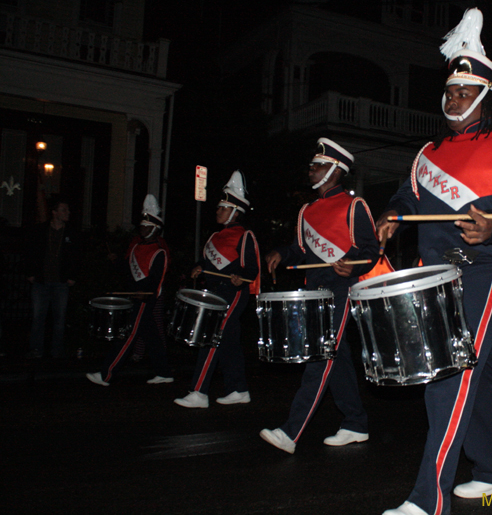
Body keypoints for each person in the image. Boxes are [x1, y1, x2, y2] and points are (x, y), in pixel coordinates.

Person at [376, 8, 492, 515]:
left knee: (447, 372)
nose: (454, 99)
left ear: (486, 96)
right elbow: (407, 195)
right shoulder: (428, 151)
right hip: (435, 272)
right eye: (451, 92)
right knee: (475, 372)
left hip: (487, 266)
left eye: (465, 92)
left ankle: (427, 497)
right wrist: (393, 213)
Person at [260, 138, 379, 454]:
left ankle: (291, 432)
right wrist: (280, 254)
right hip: (314, 291)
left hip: (341, 290)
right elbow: (301, 250)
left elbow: (371, 250)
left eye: (319, 165)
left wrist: (352, 265)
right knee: (335, 358)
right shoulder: (306, 211)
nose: (312, 170)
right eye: (312, 165)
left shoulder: (355, 207)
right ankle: (355, 422)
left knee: (320, 357)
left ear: (335, 171)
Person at [174, 171, 260, 408]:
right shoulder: (214, 236)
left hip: (232, 295)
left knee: (211, 338)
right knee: (228, 342)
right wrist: (197, 268)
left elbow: (251, 269)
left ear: (234, 210)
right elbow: (205, 262)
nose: (217, 211)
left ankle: (199, 392)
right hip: (214, 293)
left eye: (222, 207)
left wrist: (240, 279)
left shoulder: (245, 236)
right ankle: (239, 389)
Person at [86, 195, 173, 386]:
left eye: (146, 225)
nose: (142, 228)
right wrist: (116, 261)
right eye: (141, 225)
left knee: (128, 334)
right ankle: (164, 372)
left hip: (144, 299)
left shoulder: (159, 251)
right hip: (134, 298)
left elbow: (157, 280)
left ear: (155, 228)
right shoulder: (135, 247)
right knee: (151, 336)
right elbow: (127, 271)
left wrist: (146, 294)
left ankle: (106, 374)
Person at [24, 195, 80, 359]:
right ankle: (36, 349)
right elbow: (30, 251)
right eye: (64, 209)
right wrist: (30, 273)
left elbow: (77, 255)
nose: (67, 212)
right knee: (38, 318)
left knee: (59, 319)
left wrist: (72, 276)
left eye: (68, 209)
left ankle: (56, 352)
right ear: (54, 212)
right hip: (41, 281)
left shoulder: (71, 233)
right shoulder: (40, 230)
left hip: (61, 282)